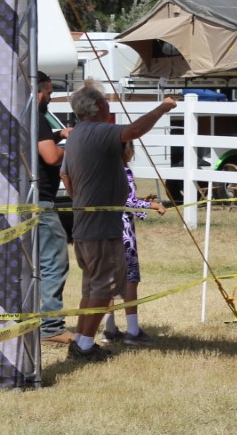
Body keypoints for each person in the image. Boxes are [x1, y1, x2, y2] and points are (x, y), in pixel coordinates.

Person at [60, 80, 176, 362]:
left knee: (91, 287)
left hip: (84, 224)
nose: (109, 106)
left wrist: (81, 201)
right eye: (106, 101)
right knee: (104, 287)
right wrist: (163, 107)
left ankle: (81, 340)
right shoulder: (99, 131)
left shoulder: (75, 135)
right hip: (101, 227)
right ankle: (85, 345)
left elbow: (65, 175)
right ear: (98, 105)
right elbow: (133, 131)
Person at [102, 141, 165, 347]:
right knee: (131, 279)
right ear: (126, 151)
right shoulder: (124, 172)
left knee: (109, 280)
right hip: (124, 233)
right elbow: (128, 201)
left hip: (106, 229)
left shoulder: (104, 171)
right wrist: (152, 205)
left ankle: (109, 328)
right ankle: (132, 330)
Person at [36, 72, 75, 344]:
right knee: (54, 261)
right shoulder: (37, 117)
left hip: (24, 200)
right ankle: (51, 327)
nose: (50, 98)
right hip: (41, 201)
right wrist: (72, 149)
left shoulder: (23, 117)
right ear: (37, 91)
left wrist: (59, 134)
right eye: (48, 93)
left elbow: (39, 142)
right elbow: (50, 157)